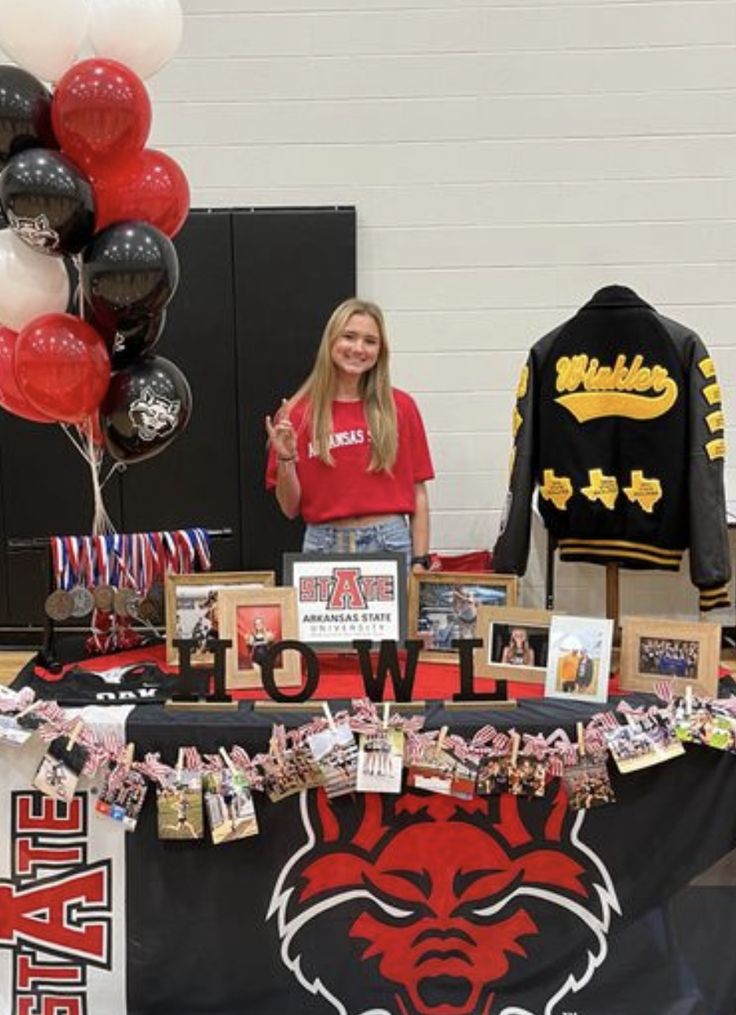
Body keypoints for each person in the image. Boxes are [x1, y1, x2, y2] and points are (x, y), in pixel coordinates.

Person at [265, 298, 434, 574]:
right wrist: (286, 457)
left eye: (370, 341)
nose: (358, 348)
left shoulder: (400, 407)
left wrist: (419, 560)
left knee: (398, 621)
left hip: (390, 543)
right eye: (349, 336)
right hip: (323, 543)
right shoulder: (296, 414)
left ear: (381, 351)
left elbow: (418, 493)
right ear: (331, 341)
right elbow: (289, 507)